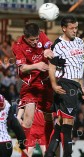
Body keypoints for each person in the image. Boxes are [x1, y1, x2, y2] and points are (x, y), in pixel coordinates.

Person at [45, 15, 84, 157]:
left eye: (76, 27)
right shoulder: (58, 45)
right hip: (65, 84)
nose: (75, 31)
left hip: (74, 86)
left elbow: (79, 67)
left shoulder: (80, 42)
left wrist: (81, 87)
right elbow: (51, 67)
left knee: (60, 124)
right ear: (64, 28)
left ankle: (50, 153)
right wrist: (53, 85)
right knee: (68, 125)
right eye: (72, 28)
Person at [12, 22, 54, 156]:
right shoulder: (18, 46)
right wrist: (37, 65)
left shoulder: (41, 35)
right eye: (32, 40)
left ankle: (49, 152)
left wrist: (49, 49)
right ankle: (24, 154)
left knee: (49, 117)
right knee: (29, 118)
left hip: (46, 82)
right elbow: (22, 67)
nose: (36, 42)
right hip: (30, 84)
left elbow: (49, 46)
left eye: (37, 39)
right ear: (25, 37)